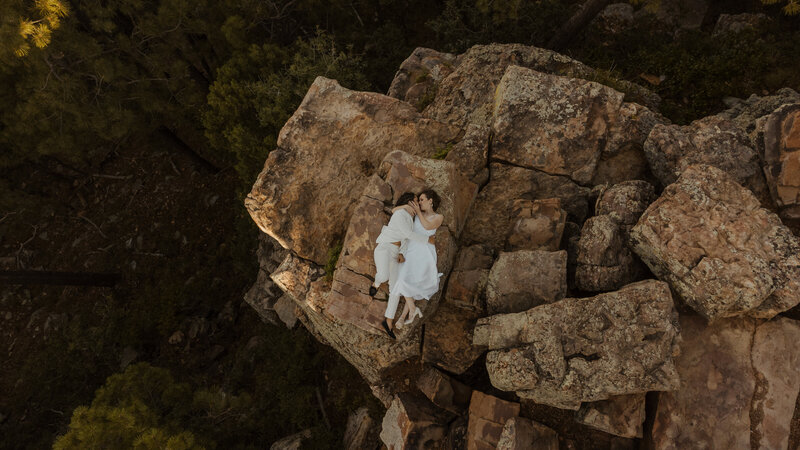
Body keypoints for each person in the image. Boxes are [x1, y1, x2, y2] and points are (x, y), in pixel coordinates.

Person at [373, 192, 435, 339]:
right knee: (383, 276)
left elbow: (405, 240)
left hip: (395, 251)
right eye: (415, 202)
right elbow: (407, 234)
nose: (418, 205)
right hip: (385, 247)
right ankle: (375, 283)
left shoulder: (411, 219)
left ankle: (388, 322)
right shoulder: (401, 214)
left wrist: (401, 252)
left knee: (395, 288)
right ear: (408, 203)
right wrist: (427, 240)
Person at [387, 189, 443, 330]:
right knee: (402, 279)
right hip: (410, 250)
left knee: (412, 282)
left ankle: (403, 316)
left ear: (431, 201)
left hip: (424, 252)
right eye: (419, 200)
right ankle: (413, 309)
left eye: (422, 200)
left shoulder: (438, 216)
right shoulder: (417, 213)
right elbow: (394, 211)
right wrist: (407, 207)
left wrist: (418, 212)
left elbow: (428, 226)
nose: (419, 203)